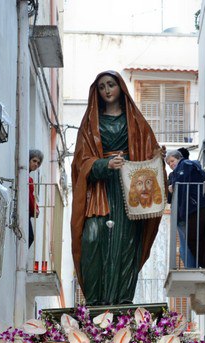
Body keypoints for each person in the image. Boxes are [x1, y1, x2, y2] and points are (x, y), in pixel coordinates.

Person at [71, 71, 164, 306]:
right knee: (91, 238)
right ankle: (94, 300)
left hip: (128, 190)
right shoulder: (91, 124)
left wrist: (155, 158)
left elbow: (148, 153)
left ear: (120, 88)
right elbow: (81, 161)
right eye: (102, 87)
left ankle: (122, 299)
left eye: (111, 85)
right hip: (100, 190)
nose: (107, 90)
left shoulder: (135, 121)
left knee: (126, 242)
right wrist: (104, 164)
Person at [166, 147, 205, 268]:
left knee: (192, 239)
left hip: (196, 207)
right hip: (191, 210)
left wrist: (173, 186)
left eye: (172, 161)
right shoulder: (176, 172)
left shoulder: (186, 164)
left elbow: (183, 181)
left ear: (179, 158)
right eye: (169, 163)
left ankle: (201, 265)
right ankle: (202, 264)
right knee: (194, 240)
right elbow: (170, 198)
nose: (171, 164)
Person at [29, 148, 43, 249]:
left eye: (38, 163)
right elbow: (29, 196)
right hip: (26, 212)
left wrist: (36, 208)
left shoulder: (29, 178)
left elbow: (31, 196)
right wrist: (35, 208)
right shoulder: (27, 179)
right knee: (30, 237)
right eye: (34, 161)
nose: (36, 164)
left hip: (27, 212)